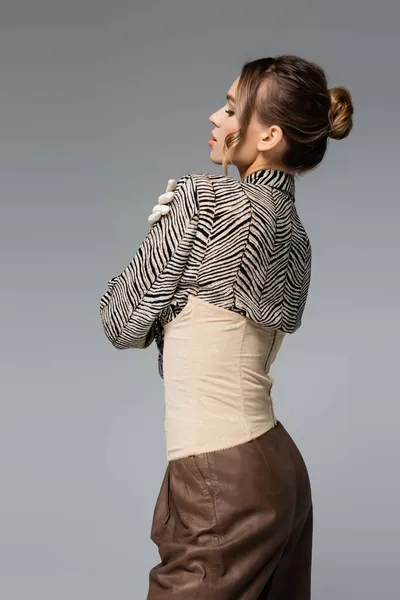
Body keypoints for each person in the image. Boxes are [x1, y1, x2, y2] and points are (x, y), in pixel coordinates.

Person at [99, 55, 354, 599]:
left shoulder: (203, 201)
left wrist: (160, 236)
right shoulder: (297, 238)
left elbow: (120, 322)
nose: (216, 117)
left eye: (233, 108)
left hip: (218, 477)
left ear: (268, 136)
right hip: (278, 473)